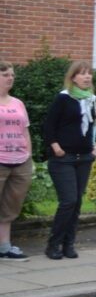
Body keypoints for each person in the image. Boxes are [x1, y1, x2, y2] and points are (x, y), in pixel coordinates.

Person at [42, 60, 96, 260]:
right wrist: (55, 146)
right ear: (73, 77)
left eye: (89, 73)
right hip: (63, 158)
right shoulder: (64, 98)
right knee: (68, 201)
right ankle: (53, 244)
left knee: (77, 203)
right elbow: (49, 126)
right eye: (82, 73)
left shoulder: (91, 100)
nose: (87, 77)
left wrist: (95, 146)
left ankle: (68, 244)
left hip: (84, 158)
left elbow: (94, 126)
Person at [0, 60, 32, 261]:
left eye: (12, 75)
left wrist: (29, 155)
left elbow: (25, 131)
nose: (10, 78)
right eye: (5, 75)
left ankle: (4, 247)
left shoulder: (18, 103)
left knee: (11, 206)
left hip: (20, 161)